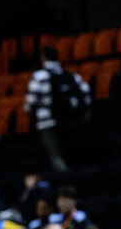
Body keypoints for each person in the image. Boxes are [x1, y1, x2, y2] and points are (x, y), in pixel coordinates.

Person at [23, 46, 91, 174]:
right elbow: (86, 92)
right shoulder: (71, 75)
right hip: (70, 121)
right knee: (69, 153)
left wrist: (29, 110)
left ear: (43, 57)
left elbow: (31, 101)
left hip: (47, 122)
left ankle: (68, 182)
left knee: (55, 155)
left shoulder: (39, 76)